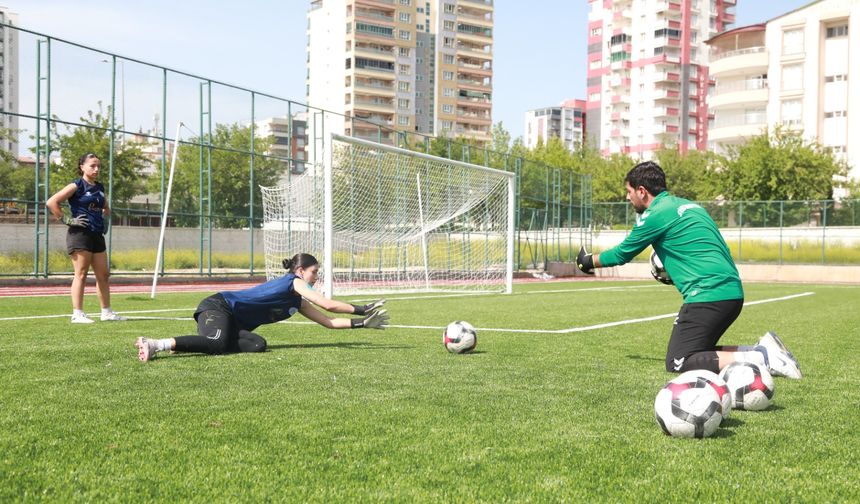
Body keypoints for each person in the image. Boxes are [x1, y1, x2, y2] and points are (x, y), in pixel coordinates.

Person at [575, 161, 802, 379]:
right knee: (701, 350)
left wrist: (588, 261)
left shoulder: (655, 215)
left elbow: (621, 254)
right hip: (731, 292)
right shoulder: (690, 206)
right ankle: (761, 350)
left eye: (629, 191)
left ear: (642, 191)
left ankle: (762, 358)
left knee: (680, 360)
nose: (627, 197)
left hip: (708, 296)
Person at [135, 253, 390, 362]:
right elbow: (328, 305)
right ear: (300, 271)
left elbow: (328, 322)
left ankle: (210, 338)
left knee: (258, 345)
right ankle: (156, 344)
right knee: (216, 344)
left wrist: (362, 324)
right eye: (314, 272)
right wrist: (362, 308)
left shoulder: (297, 300)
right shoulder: (295, 282)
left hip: (230, 321)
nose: (315, 276)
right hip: (218, 306)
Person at [46, 153, 126, 324]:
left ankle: (106, 312)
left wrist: (106, 219)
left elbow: (106, 207)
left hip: (97, 235)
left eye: (98, 166)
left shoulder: (100, 187)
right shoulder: (76, 185)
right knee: (81, 274)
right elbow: (52, 202)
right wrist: (67, 220)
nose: (96, 169)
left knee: (103, 275)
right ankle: (78, 314)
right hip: (80, 235)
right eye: (92, 165)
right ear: (82, 167)